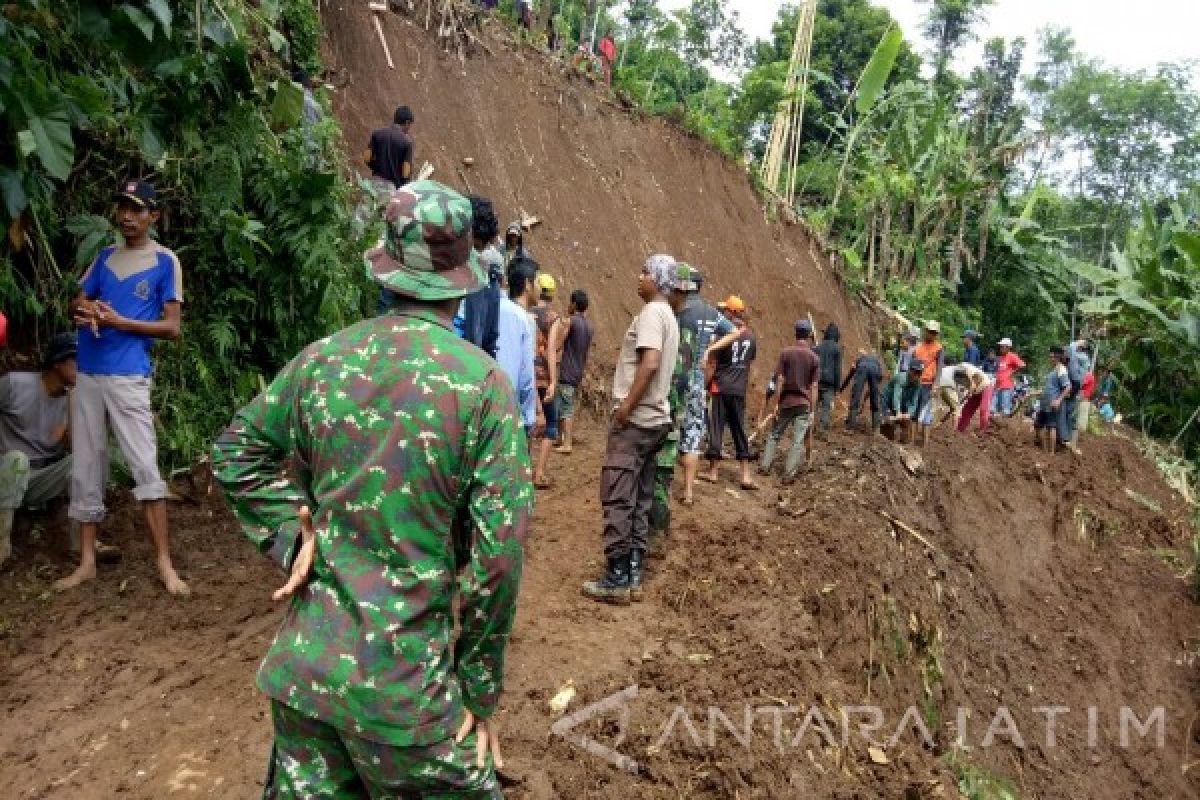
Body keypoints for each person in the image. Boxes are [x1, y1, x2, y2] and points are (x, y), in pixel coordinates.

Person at [212, 180, 532, 797]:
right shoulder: (481, 387)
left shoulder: (322, 359)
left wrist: (288, 537)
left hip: (308, 680)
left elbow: (235, 452)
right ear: (462, 273)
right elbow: (498, 558)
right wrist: (480, 690)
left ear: (383, 268)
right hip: (406, 695)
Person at [58, 180, 188, 595]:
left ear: (154, 216)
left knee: (144, 466)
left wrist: (120, 323)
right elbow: (75, 301)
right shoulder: (104, 257)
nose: (127, 216)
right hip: (88, 372)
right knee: (85, 465)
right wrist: (87, 309)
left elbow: (172, 328)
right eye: (123, 208)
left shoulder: (165, 262)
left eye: (137, 209)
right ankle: (87, 562)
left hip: (129, 374)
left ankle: (165, 564)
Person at [582, 255, 680, 605]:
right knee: (640, 495)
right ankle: (635, 571)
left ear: (656, 279)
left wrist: (626, 407)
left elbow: (650, 362)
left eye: (644, 272)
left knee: (618, 493)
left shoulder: (653, 313)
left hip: (637, 421)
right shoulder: (669, 314)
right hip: (655, 422)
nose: (638, 278)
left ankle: (617, 576)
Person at [0, 333, 76, 567]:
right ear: (57, 362)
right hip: (5, 473)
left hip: (39, 480)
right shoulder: (14, 384)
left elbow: (74, 446)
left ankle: (81, 543)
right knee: (16, 460)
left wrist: (75, 402)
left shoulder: (73, 399)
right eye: (76, 361)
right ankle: (2, 546)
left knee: (84, 460)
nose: (83, 368)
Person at [674, 266, 735, 506]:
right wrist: (710, 349)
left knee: (666, 430)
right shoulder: (710, 312)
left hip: (676, 378)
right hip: (697, 384)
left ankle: (662, 486)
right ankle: (688, 491)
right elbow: (734, 332)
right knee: (691, 437)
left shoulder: (679, 308)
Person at [701, 297, 757, 490]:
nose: (723, 313)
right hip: (739, 389)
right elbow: (748, 365)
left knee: (716, 427)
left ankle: (714, 471)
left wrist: (705, 385)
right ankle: (745, 475)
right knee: (739, 429)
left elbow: (712, 364)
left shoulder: (724, 336)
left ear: (731, 313)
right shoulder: (751, 337)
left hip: (720, 387)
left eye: (726, 310)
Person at [758, 319, 820, 484]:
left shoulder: (786, 353)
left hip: (786, 401)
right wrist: (812, 410)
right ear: (808, 336)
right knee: (797, 440)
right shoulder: (814, 358)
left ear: (795, 333)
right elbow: (814, 386)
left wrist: (777, 402)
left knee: (774, 435)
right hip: (804, 404)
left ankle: (764, 466)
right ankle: (788, 475)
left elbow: (780, 379)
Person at [496, 259, 542, 439]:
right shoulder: (522, 319)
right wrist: (530, 417)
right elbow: (525, 377)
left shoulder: (498, 307)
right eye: (537, 281)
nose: (540, 288)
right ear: (527, 284)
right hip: (509, 413)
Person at [459, 196, 504, 358]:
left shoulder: (488, 285)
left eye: (480, 249)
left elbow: (489, 343)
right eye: (475, 248)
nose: (478, 256)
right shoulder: (434, 270)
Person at [553, 289, 594, 455]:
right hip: (578, 371)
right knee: (564, 403)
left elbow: (557, 345)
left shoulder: (570, 322)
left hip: (567, 371)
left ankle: (567, 443)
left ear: (574, 304)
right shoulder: (589, 326)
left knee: (566, 408)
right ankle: (561, 438)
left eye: (570, 302)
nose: (568, 306)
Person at [530, 273, 561, 488]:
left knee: (525, 423)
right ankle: (539, 472)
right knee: (550, 424)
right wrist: (553, 380)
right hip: (542, 376)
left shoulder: (525, 312)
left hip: (525, 374)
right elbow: (551, 350)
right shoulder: (552, 318)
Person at [1034, 346, 1074, 453]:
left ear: (1057, 357)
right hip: (1045, 403)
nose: (1050, 359)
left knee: (1051, 427)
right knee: (1038, 425)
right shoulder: (1052, 370)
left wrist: (1058, 400)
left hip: (1052, 403)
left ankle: (1051, 453)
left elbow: (1068, 387)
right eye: (1050, 357)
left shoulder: (1061, 369)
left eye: (1052, 357)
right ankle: (1044, 449)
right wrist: (1034, 394)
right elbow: (1048, 387)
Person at [365, 105, 415, 190]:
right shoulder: (407, 142)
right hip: (391, 188)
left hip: (373, 184)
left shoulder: (377, 133)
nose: (409, 128)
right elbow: (405, 173)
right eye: (410, 125)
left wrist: (377, 169)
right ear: (407, 122)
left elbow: (366, 158)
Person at [912, 320, 945, 446]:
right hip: (916, 383)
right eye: (930, 332)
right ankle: (911, 441)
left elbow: (940, 367)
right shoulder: (918, 348)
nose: (932, 334)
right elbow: (913, 365)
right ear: (925, 331)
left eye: (934, 333)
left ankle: (924, 445)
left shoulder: (939, 348)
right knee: (914, 412)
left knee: (926, 415)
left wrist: (936, 385)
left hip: (929, 384)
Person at [840, 349, 884, 433]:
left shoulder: (859, 360)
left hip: (862, 368)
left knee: (856, 397)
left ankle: (850, 428)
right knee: (875, 400)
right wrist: (873, 391)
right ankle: (876, 429)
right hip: (875, 371)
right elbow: (879, 377)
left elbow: (850, 375)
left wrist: (842, 388)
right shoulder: (877, 362)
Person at [881, 358, 924, 443]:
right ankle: (883, 440)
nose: (916, 375)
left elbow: (914, 401)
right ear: (909, 370)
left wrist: (909, 413)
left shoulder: (918, 384)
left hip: (902, 403)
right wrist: (898, 412)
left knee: (906, 423)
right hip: (888, 400)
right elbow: (896, 396)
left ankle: (902, 445)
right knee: (888, 423)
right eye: (914, 372)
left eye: (919, 373)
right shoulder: (901, 378)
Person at [813, 322, 842, 436]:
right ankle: (822, 431)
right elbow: (837, 369)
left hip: (817, 380)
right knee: (826, 407)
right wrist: (837, 387)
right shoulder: (837, 349)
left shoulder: (818, 347)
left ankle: (809, 428)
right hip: (829, 383)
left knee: (813, 405)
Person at [953, 362, 994, 434]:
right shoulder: (956, 372)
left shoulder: (969, 370)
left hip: (985, 387)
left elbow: (979, 379)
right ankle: (960, 430)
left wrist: (970, 391)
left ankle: (984, 430)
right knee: (966, 410)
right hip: (975, 391)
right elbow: (961, 386)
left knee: (983, 409)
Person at [991, 337, 1025, 417]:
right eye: (1000, 346)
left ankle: (1005, 426)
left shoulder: (1012, 356)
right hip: (998, 385)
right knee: (996, 408)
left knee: (1005, 408)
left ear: (1008, 347)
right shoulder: (1000, 358)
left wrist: (1013, 373)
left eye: (1002, 346)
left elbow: (1022, 365)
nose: (1001, 348)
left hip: (1007, 385)